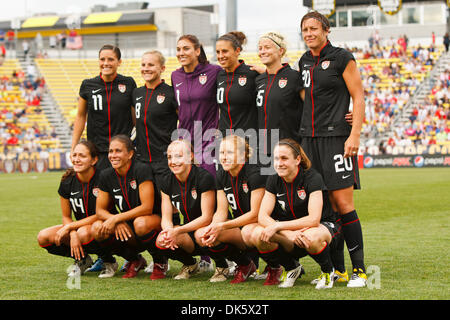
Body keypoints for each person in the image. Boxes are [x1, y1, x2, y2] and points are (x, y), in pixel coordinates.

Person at [299, 11, 366, 287]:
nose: (309, 33)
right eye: (305, 30)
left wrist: (354, 134)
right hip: (308, 142)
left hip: (337, 139)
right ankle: (338, 270)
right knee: (325, 207)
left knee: (343, 205)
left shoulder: (342, 57)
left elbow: (359, 95)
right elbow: (304, 97)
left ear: (326, 30)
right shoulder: (303, 62)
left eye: (314, 28)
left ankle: (360, 271)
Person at [247, 139, 340, 289]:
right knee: (259, 234)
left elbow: (314, 219)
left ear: (297, 160)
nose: (279, 163)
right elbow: (262, 216)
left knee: (310, 236)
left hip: (321, 227)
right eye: (276, 158)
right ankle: (292, 268)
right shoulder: (273, 179)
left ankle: (328, 271)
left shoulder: (312, 178)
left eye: (284, 158)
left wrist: (278, 226)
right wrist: (287, 233)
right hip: (291, 231)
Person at [171, 34, 221, 271]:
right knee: (188, 201)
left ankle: (223, 253)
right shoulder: (175, 76)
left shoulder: (214, 72)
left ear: (197, 50)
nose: (181, 53)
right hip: (185, 145)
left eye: (186, 48)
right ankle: (203, 257)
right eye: (179, 49)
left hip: (209, 144)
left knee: (212, 202)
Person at [37, 141, 115, 277]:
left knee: (83, 233)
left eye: (82, 156)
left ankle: (109, 261)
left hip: (104, 225)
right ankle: (82, 259)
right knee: (43, 237)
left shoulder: (103, 177)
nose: (76, 159)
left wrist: (72, 229)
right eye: (74, 155)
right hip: (78, 228)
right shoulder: (67, 180)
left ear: (94, 160)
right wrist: (72, 233)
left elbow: (101, 214)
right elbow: (66, 216)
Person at [132, 50, 178, 279]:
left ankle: (201, 257)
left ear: (162, 68)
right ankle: (158, 258)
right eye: (143, 64)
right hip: (142, 163)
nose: (146, 68)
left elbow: (183, 122)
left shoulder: (170, 94)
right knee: (147, 213)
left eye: (151, 64)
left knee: (169, 211)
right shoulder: (136, 93)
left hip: (164, 162)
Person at [196, 135, 266, 283]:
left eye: (229, 153)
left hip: (260, 226)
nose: (224, 157)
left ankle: (277, 265)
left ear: (242, 155)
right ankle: (245, 265)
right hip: (240, 226)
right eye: (221, 153)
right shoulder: (222, 173)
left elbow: (255, 215)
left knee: (249, 232)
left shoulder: (254, 173)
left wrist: (223, 226)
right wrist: (213, 227)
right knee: (203, 234)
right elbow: (221, 211)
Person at [91, 135, 161, 278]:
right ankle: (135, 260)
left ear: (130, 154)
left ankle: (160, 261)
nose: (113, 155)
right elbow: (99, 210)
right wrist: (115, 220)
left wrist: (117, 218)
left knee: (140, 223)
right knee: (98, 228)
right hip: (128, 224)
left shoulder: (141, 169)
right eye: (111, 151)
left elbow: (147, 207)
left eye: (118, 151)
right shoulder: (106, 175)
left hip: (151, 221)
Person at [155, 140, 216, 280]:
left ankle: (222, 265)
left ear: (191, 156)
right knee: (161, 240)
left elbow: (207, 217)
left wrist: (178, 230)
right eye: (170, 157)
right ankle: (190, 264)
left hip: (210, 229)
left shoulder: (204, 177)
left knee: (202, 234)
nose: (173, 161)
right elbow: (166, 217)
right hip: (189, 231)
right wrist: (168, 232)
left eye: (178, 156)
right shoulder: (166, 180)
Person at [72, 44, 137, 170]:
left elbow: (135, 117)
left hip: (122, 152)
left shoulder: (128, 83)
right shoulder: (87, 85)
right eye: (102, 59)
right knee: (100, 189)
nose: (106, 63)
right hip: (97, 152)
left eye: (111, 59)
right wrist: (74, 146)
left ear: (119, 62)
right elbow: (80, 116)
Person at [255, 31, 303, 166]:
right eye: (260, 48)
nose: (262, 51)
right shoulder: (259, 80)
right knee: (266, 187)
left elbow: (312, 107)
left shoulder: (294, 77)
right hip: (263, 151)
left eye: (267, 47)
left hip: (288, 150)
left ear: (280, 51)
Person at [215, 31, 259, 138]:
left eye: (225, 51)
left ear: (237, 51)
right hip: (225, 139)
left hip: (248, 139)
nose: (221, 56)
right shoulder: (219, 75)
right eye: (218, 52)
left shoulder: (252, 73)